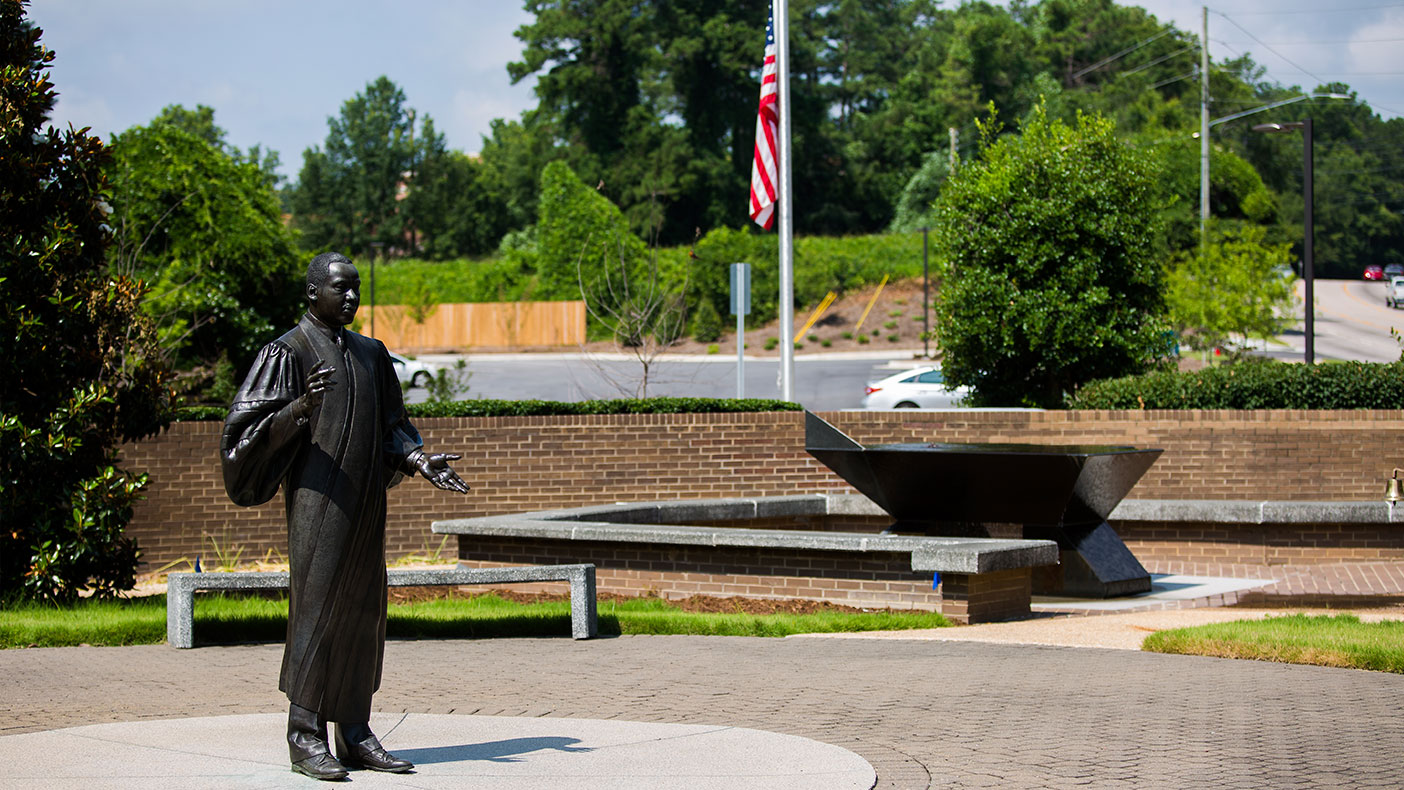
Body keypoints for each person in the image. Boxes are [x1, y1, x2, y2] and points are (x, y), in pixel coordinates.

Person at [221, 252, 470, 781]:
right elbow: (242, 440)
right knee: (316, 613)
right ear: (313, 293)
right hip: (317, 505)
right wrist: (296, 410)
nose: (353, 297)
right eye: (342, 288)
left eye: (357, 288)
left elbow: (393, 429)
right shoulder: (286, 353)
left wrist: (418, 458)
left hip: (365, 508)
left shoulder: (371, 355)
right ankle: (304, 734)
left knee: (363, 613)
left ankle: (355, 732)